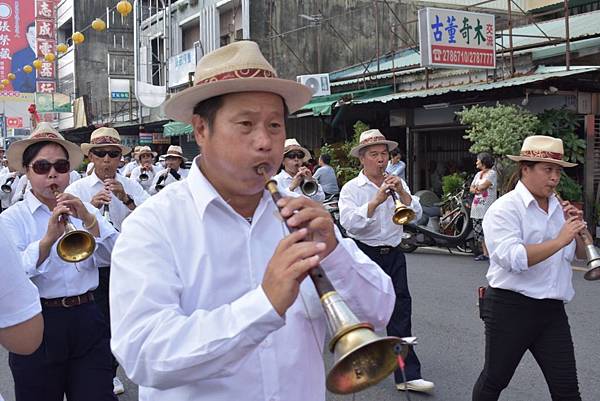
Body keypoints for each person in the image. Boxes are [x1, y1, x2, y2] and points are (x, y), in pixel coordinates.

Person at [109, 40, 395, 401]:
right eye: (245, 124)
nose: (265, 142)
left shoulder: (301, 212)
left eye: (275, 126)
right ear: (201, 130)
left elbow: (381, 308)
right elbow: (144, 355)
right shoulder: (153, 224)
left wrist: (333, 251)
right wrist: (264, 304)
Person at [0, 122, 118, 401]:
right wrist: (47, 240)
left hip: (87, 316)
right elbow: (12, 274)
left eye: (61, 167)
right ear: (27, 172)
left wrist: (89, 220)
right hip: (37, 321)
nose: (53, 174)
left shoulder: (84, 208)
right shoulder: (11, 219)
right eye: (42, 167)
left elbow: (119, 255)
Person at [472, 135, 586, 401]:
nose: (555, 178)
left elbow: (576, 255)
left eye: (558, 171)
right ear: (525, 169)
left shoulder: (559, 207)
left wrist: (579, 233)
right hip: (510, 307)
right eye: (548, 170)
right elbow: (513, 258)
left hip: (552, 310)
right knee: (494, 380)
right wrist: (560, 239)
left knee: (567, 389)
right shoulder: (504, 209)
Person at [338, 129, 435, 393]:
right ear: (362, 159)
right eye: (374, 155)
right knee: (358, 315)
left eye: (384, 154)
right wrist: (376, 201)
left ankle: (407, 374)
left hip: (393, 254)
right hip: (363, 253)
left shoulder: (395, 181)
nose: (381, 160)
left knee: (401, 312)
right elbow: (349, 224)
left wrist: (402, 193)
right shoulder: (351, 189)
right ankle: (354, 368)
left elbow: (414, 214)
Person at [66, 126, 149, 395]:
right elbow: (66, 229)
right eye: (100, 154)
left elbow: (152, 224)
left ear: (120, 158)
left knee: (124, 323)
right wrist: (89, 207)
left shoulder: (132, 185)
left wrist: (126, 198)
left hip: (126, 267)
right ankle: (102, 373)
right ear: (90, 157)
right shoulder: (77, 188)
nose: (106, 160)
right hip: (92, 268)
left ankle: (117, 369)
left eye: (112, 154)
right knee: (96, 326)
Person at [469, 152, 497, 261]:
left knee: (488, 231)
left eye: (478, 160)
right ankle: (485, 254)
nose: (476, 162)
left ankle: (491, 254)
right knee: (479, 232)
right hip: (476, 208)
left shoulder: (492, 173)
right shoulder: (477, 175)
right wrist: (477, 188)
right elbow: (471, 189)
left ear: (483, 161)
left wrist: (477, 188)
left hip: (487, 208)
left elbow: (483, 186)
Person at [11, 23, 36, 93]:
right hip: (27, 98)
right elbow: (17, 82)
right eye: (31, 34)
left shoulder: (48, 53)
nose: (34, 37)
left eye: (36, 34)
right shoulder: (18, 56)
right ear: (27, 35)